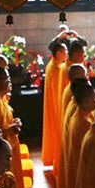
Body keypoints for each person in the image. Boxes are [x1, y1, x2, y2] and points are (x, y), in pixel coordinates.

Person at [56, 80, 95, 188]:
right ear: (85, 102)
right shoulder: (83, 122)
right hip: (84, 171)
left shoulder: (81, 114)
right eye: (94, 98)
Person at [42, 42, 67, 171]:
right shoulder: (56, 69)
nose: (66, 54)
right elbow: (58, 93)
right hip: (57, 108)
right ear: (58, 53)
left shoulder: (53, 66)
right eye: (64, 51)